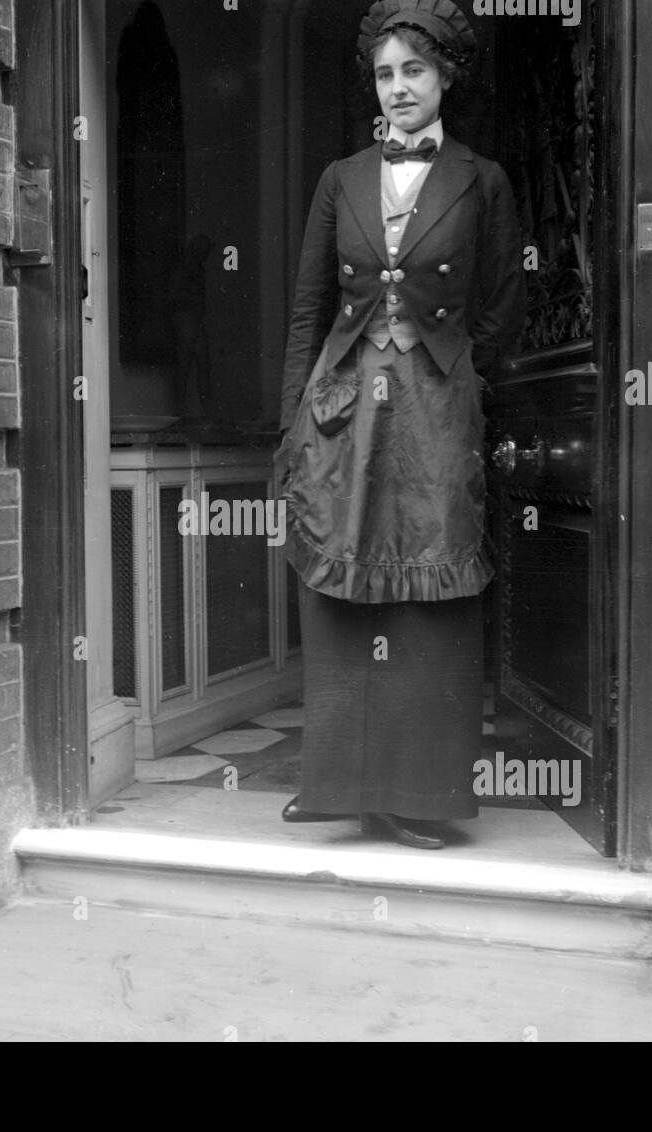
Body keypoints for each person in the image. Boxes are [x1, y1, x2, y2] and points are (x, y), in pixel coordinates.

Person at [275, 0, 525, 850]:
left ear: (445, 74)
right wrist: (290, 426)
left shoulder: (481, 179)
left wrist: (445, 366)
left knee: (429, 581)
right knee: (344, 584)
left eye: (413, 70)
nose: (398, 88)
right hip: (343, 411)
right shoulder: (339, 178)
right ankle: (343, 788)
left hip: (433, 407)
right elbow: (308, 312)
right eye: (385, 74)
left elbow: (500, 311)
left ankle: (418, 795)